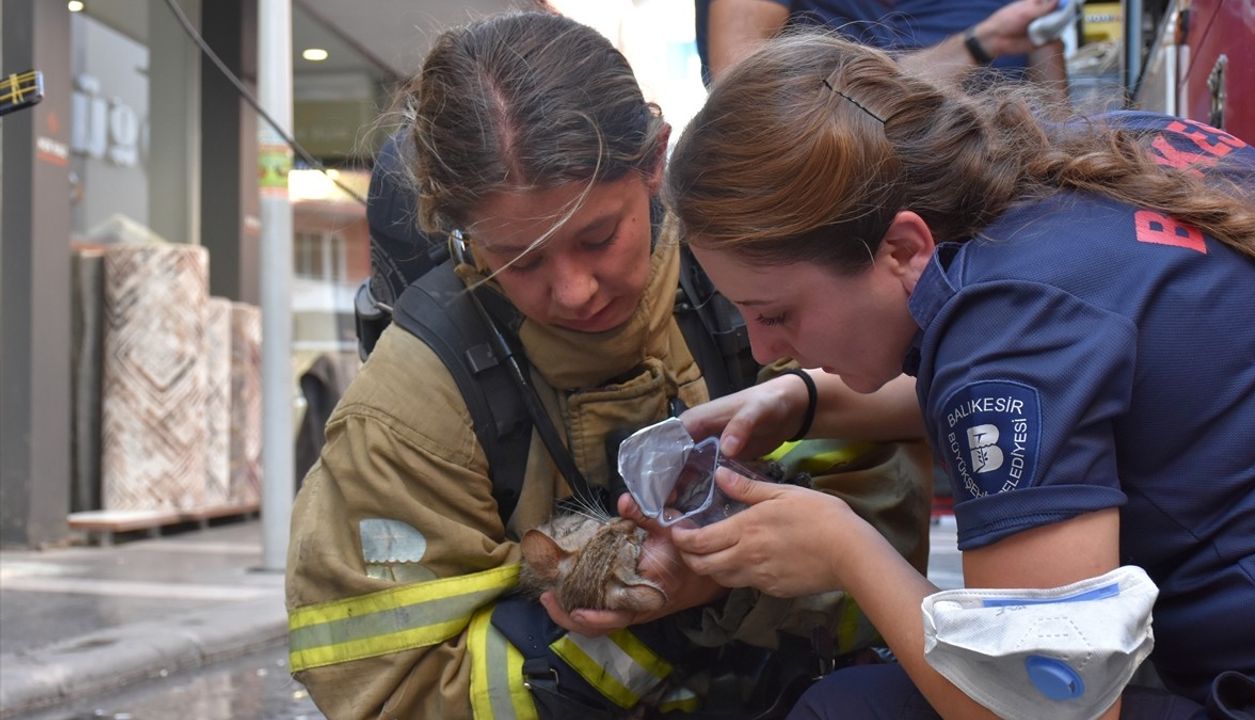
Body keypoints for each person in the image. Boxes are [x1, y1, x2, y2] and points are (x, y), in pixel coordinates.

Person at [285, 12, 934, 720]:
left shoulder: (754, 285)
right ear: (460, 232)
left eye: (598, 236)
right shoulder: (408, 410)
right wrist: (656, 618)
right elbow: (385, 685)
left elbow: (886, 542)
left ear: (655, 161)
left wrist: (729, 576)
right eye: (520, 259)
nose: (573, 291)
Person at [662, 32, 1255, 720]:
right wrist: (803, 401)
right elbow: (1058, 390)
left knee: (843, 710)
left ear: (901, 247)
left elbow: (1053, 708)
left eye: (775, 312)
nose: (764, 348)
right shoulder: (1083, 157)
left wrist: (845, 550)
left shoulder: (1007, 328)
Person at [696, 0, 1068, 92]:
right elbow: (737, 77)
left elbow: (1052, 114)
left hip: (1002, 214)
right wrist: (977, 45)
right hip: (840, 216)